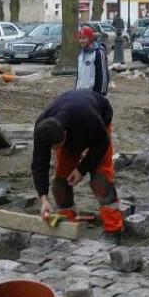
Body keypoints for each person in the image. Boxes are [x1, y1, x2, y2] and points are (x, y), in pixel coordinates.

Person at [32, 89, 123, 244]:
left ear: (64, 134)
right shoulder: (42, 130)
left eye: (57, 147)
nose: (54, 150)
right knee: (61, 183)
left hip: (98, 125)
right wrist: (44, 199)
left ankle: (114, 230)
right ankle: (68, 221)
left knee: (100, 182)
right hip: (71, 127)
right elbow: (39, 164)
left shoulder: (87, 118)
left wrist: (81, 170)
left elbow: (102, 143)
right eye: (52, 148)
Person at [75, 26, 109, 95]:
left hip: (93, 94)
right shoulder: (81, 54)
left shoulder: (98, 52)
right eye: (80, 38)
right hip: (80, 93)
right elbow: (79, 75)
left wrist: (101, 94)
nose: (81, 41)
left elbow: (103, 75)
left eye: (84, 38)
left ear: (90, 38)